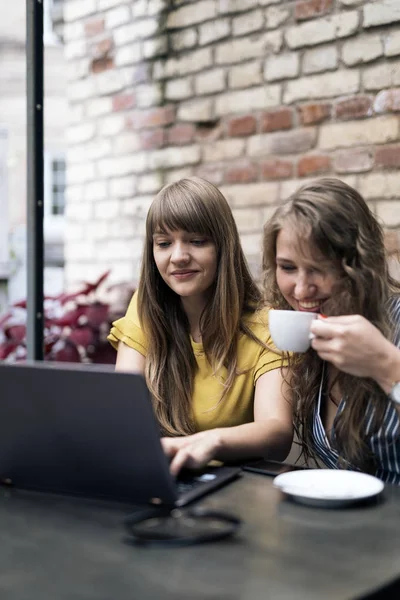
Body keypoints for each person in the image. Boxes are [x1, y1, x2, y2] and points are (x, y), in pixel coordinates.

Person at [108, 176, 293, 475]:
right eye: (164, 243)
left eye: (197, 241)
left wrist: (211, 442)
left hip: (236, 491)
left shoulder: (267, 326)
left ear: (223, 247)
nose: (179, 256)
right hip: (161, 479)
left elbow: (277, 433)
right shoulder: (144, 309)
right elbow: (122, 415)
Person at [262, 177, 400, 483]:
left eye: (318, 268)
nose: (300, 289)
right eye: (287, 267)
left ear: (358, 264)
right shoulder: (312, 339)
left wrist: (386, 366)